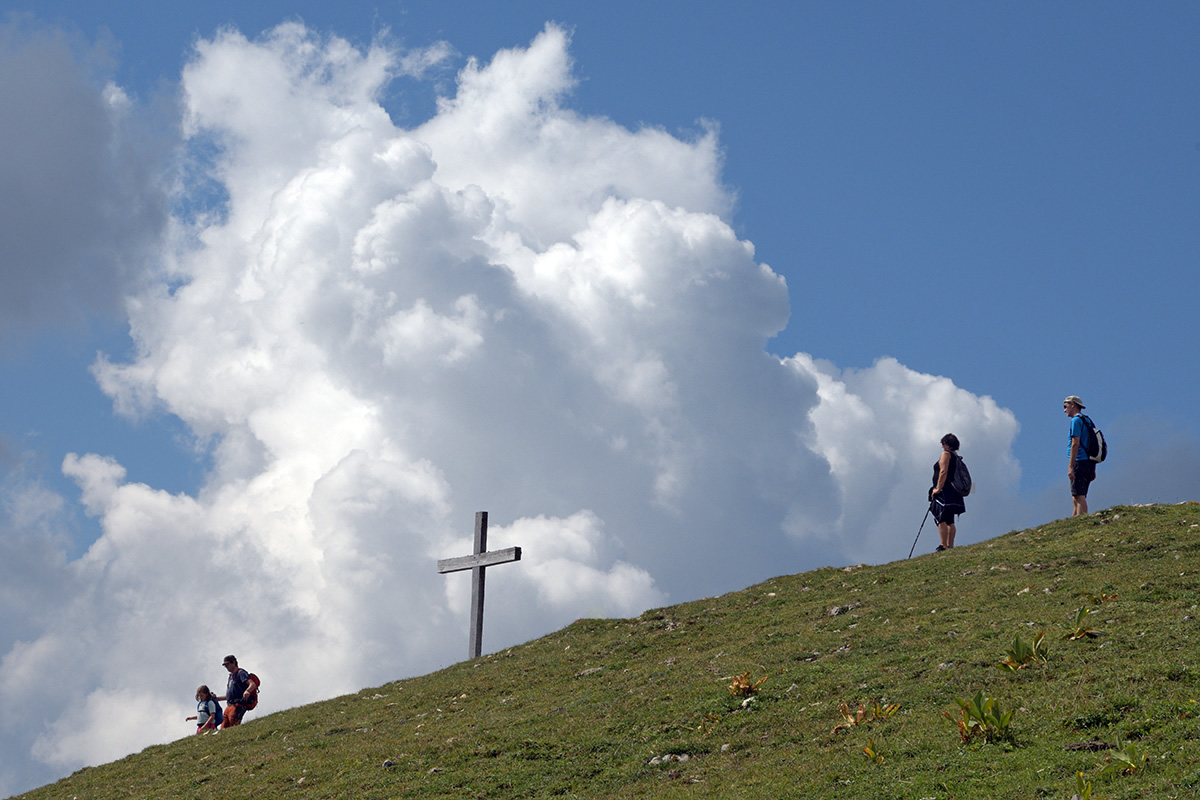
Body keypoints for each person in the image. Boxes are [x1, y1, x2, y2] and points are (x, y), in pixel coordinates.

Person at [929, 433, 966, 551]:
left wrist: (938, 488)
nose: (942, 447)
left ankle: (943, 544)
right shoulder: (956, 456)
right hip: (954, 491)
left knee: (941, 517)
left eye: (943, 444)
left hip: (945, 490)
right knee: (950, 519)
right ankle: (950, 545)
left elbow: (943, 471)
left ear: (947, 444)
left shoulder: (946, 454)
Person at [1064, 395, 1096, 517]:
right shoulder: (1088, 421)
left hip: (1079, 461)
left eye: (1065, 406)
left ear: (1072, 404)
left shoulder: (1076, 421)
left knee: (1079, 495)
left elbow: (1075, 443)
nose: (1064, 410)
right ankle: (1074, 521)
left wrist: (1071, 466)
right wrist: (1093, 468)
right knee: (1076, 495)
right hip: (1089, 462)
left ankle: (1082, 521)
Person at [216, 655, 258, 728]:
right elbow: (231, 695)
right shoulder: (231, 677)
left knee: (233, 727)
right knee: (223, 729)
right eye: (225, 665)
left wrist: (247, 691)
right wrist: (217, 699)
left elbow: (252, 684)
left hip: (238, 705)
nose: (226, 667)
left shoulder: (240, 673)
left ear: (234, 663)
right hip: (229, 706)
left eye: (227, 664)